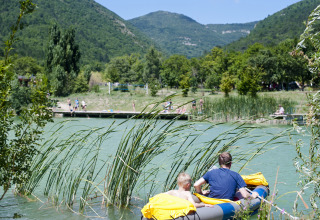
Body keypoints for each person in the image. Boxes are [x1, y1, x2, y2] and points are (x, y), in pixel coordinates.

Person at [194, 152, 258, 200]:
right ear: (230, 163)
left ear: (219, 163)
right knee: (238, 193)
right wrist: (253, 196)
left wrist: (201, 194)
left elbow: (196, 185)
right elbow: (244, 195)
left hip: (212, 202)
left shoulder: (210, 173)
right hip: (226, 204)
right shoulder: (236, 175)